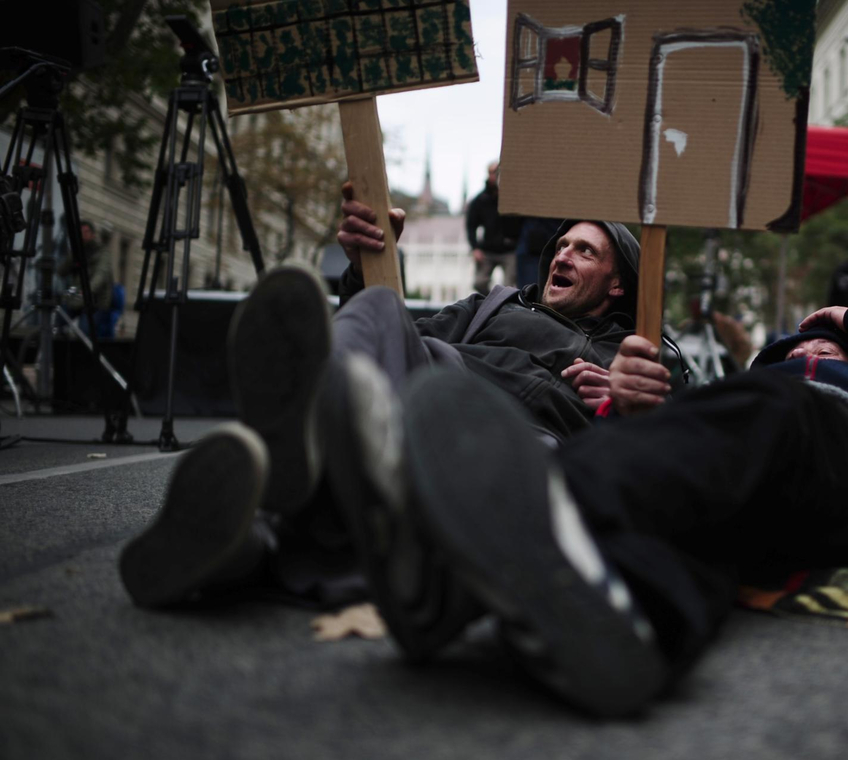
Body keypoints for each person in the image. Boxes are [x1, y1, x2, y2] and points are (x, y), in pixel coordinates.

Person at [320, 296, 848, 716]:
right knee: (703, 520)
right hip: (795, 492)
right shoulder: (753, 400)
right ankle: (634, 623)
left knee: (770, 413)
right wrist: (631, 410)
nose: (809, 351)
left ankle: (452, 555)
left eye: (823, 349)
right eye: (795, 349)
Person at [119, 187, 642, 611]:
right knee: (377, 309)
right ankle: (309, 417)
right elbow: (397, 339)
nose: (562, 254)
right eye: (562, 245)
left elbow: (663, 442)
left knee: (388, 511)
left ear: (617, 285)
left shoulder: (638, 350)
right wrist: (368, 262)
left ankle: (253, 540)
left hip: (523, 439)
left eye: (585, 250)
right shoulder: (494, 305)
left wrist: (624, 400)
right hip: (432, 385)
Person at [465, 161, 520, 295]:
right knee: (479, 282)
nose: (496, 176)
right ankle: (491, 301)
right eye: (494, 172)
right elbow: (471, 225)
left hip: (509, 249)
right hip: (488, 249)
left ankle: (502, 305)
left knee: (509, 286)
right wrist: (475, 248)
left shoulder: (513, 197)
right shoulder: (480, 200)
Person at [55, 220, 116, 338]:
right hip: (77, 298)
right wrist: (73, 255)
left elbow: (100, 274)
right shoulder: (77, 251)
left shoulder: (102, 252)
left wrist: (89, 289)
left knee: (84, 330)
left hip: (96, 301)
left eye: (86, 231)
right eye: (80, 232)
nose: (83, 234)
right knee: (59, 321)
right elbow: (61, 271)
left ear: (93, 234)